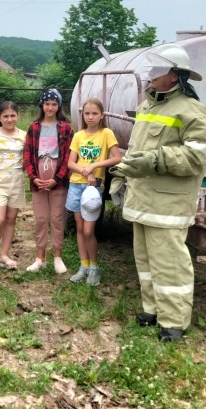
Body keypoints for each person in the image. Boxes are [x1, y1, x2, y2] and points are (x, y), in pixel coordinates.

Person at [110, 44, 206, 342]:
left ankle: (174, 321)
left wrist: (153, 161)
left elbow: (196, 157)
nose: (150, 75)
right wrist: (127, 168)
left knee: (169, 264)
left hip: (168, 204)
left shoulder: (191, 111)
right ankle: (152, 310)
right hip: (143, 198)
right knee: (145, 261)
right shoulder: (148, 106)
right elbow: (140, 149)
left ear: (174, 76)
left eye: (157, 70)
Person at [66, 97, 122, 286]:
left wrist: (95, 165)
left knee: (89, 231)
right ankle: (84, 266)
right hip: (76, 185)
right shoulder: (78, 135)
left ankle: (95, 267)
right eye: (87, 113)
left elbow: (117, 158)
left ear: (101, 115)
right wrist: (84, 170)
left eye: (94, 113)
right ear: (82, 114)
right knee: (80, 229)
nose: (90, 117)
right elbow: (70, 162)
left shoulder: (106, 133)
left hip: (94, 188)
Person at [23, 88, 73, 274]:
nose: (50, 107)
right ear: (42, 105)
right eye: (47, 104)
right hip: (38, 177)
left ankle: (57, 256)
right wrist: (33, 177)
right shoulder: (34, 127)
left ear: (59, 106)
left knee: (57, 218)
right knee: (41, 218)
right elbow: (27, 153)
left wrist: (57, 178)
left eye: (54, 104)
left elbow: (68, 155)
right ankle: (40, 257)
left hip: (57, 179)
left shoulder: (66, 128)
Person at [0, 101, 27, 271]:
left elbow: (26, 158)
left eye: (12, 116)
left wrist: (18, 171)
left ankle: (4, 254)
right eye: (5, 116)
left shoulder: (24, 135)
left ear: (18, 116)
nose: (9, 119)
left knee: (10, 219)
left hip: (16, 180)